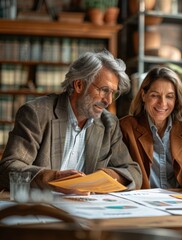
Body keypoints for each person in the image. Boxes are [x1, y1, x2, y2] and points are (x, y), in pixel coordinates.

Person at [0, 50, 142, 194]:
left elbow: (134, 173)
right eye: (104, 90)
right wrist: (53, 179)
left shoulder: (109, 124)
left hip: (86, 208)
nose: (108, 100)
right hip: (42, 206)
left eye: (113, 93)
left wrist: (106, 177)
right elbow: (8, 168)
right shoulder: (36, 113)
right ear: (79, 85)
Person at [120, 66, 182, 189]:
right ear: (143, 95)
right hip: (142, 202)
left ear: (176, 99)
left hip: (181, 202)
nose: (162, 103)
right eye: (155, 95)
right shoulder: (126, 128)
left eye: (169, 96)